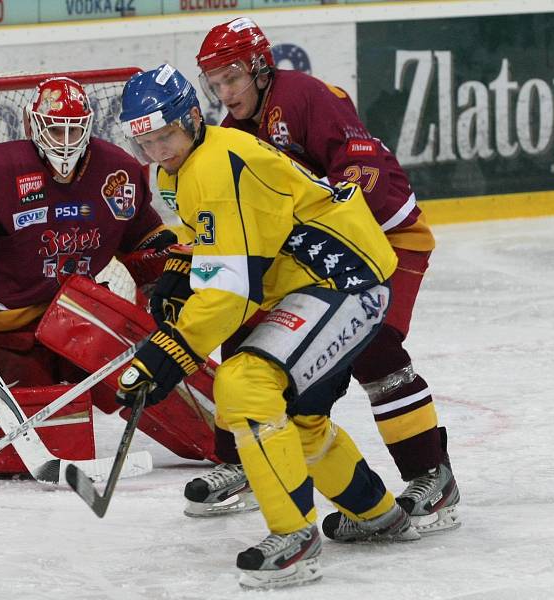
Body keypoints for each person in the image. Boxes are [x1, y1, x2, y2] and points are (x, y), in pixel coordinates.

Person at [115, 64, 419, 590]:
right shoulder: (174, 172)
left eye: (165, 135)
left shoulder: (215, 164)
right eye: (146, 141)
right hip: (318, 282)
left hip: (344, 278)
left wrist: (168, 351)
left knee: (245, 383)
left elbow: (231, 293)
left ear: (190, 118)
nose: (158, 150)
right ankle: (377, 514)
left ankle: (294, 538)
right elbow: (204, 237)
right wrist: (180, 270)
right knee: (299, 422)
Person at [185, 17, 460, 534]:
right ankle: (242, 464)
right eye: (215, 82)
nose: (225, 92)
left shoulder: (309, 98)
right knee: (247, 332)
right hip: (317, 257)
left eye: (233, 78)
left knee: (374, 348)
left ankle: (433, 474)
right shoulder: (230, 134)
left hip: (384, 240)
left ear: (262, 68)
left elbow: (362, 173)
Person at [0, 76, 213, 465]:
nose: (65, 139)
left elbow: (143, 236)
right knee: (33, 440)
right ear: (32, 124)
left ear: (88, 124)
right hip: (5, 329)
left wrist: (168, 279)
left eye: (74, 127)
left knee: (153, 378)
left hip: (80, 314)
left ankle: (227, 440)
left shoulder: (116, 170)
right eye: (54, 127)